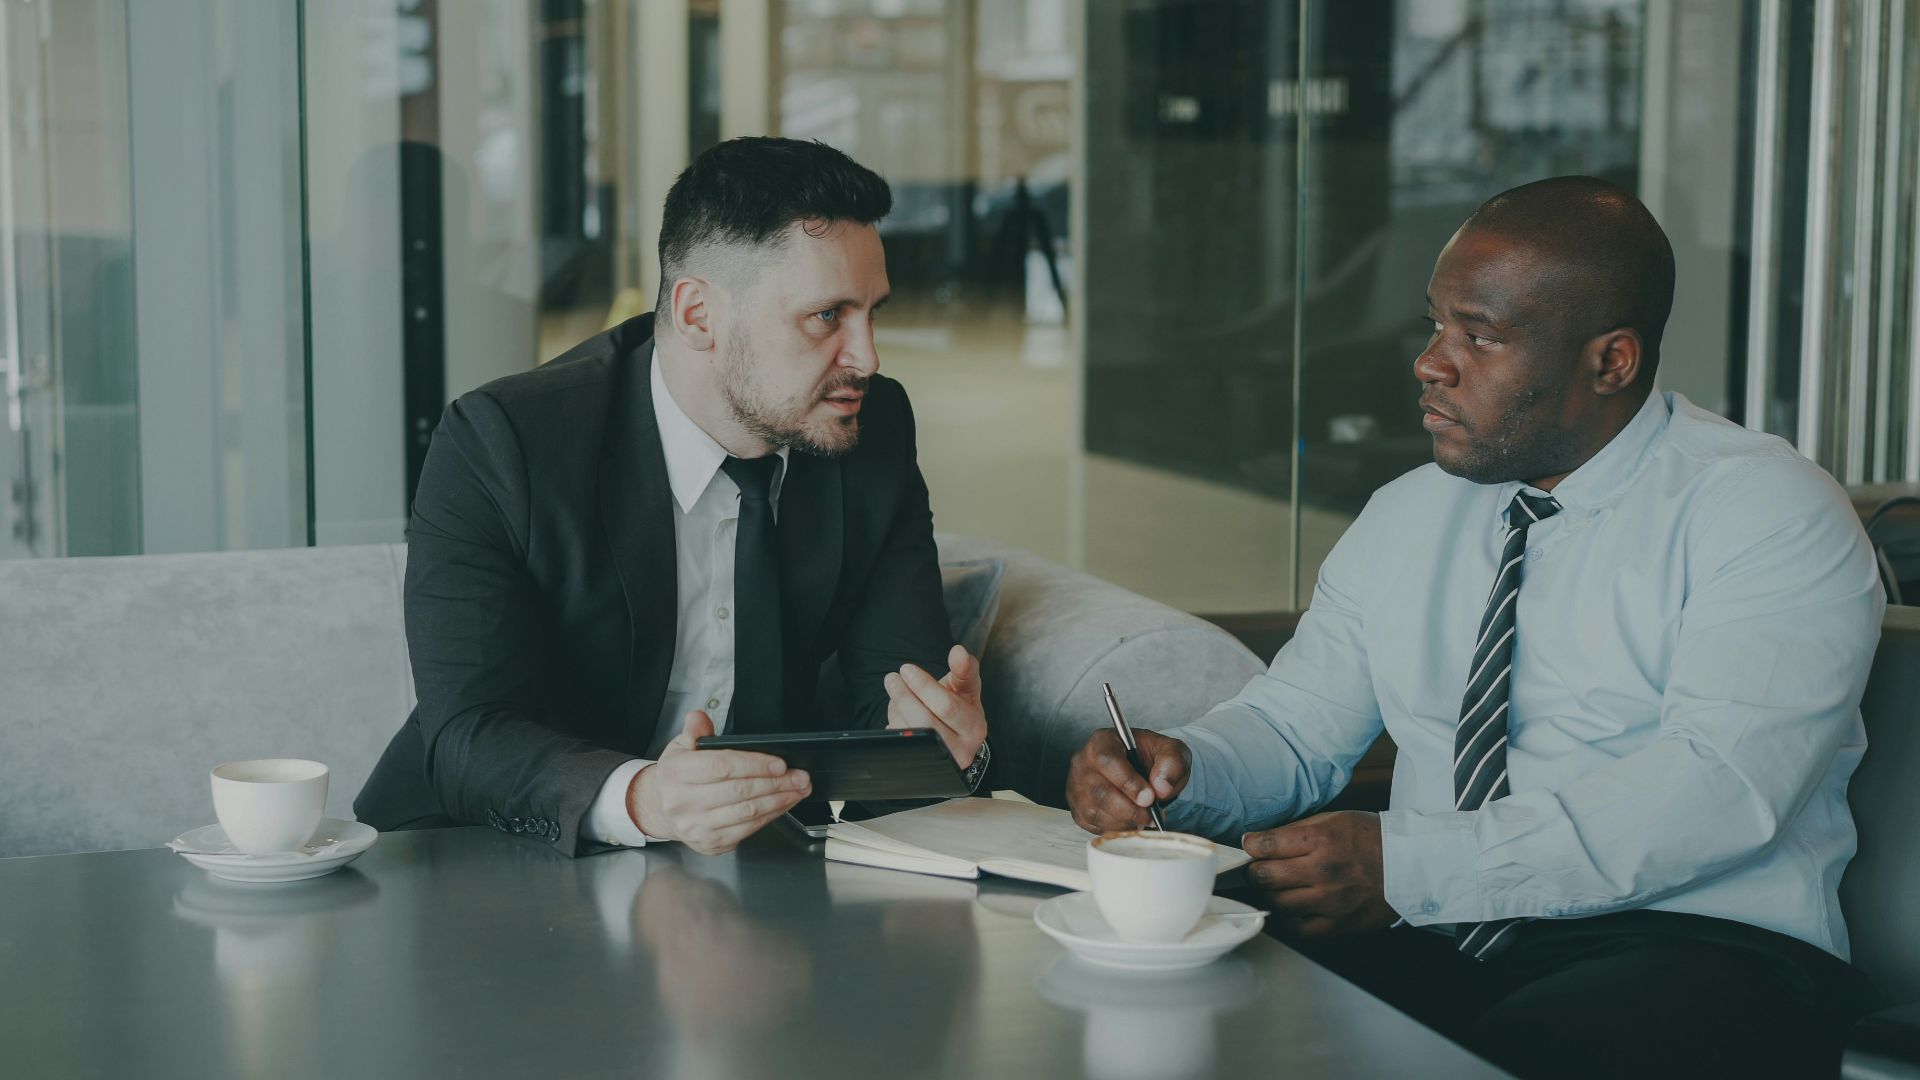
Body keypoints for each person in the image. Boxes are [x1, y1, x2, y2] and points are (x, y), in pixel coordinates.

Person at [1066, 176, 1883, 1077]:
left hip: (1705, 947)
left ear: (1610, 362)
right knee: (1186, 1005)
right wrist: (1181, 770)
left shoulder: (1764, 509)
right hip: (1444, 931)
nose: (1431, 362)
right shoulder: (1409, 512)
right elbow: (1295, 729)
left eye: (1481, 337)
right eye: (1436, 325)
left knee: (1527, 1052)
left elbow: (1721, 790)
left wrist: (1412, 869)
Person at [356, 137, 990, 856]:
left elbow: (893, 702)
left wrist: (935, 742)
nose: (867, 357)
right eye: (826, 317)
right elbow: (468, 731)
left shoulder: (870, 428)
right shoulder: (504, 444)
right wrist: (642, 798)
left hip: (751, 882)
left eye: (872, 313)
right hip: (491, 863)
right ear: (697, 316)